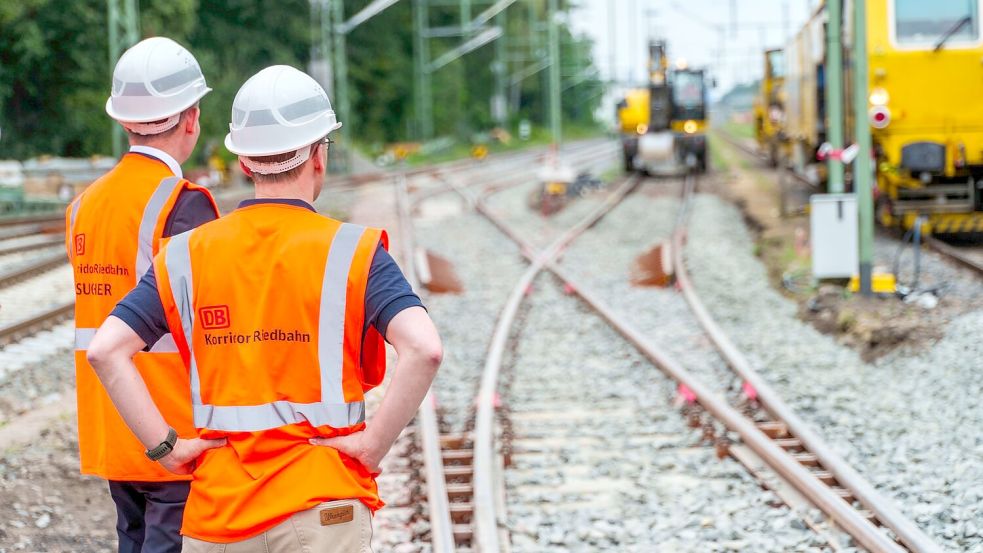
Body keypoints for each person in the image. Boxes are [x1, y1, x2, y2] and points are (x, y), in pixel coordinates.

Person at [86, 65, 442, 553]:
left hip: (220, 515)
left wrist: (168, 449)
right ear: (319, 156)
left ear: (245, 163)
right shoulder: (353, 252)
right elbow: (423, 349)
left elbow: (106, 351)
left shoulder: (186, 255)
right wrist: (371, 445)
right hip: (322, 506)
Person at [66, 36, 218, 553]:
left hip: (112, 425)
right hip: (172, 429)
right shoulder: (183, 204)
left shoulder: (84, 205)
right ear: (191, 118)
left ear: (123, 120)